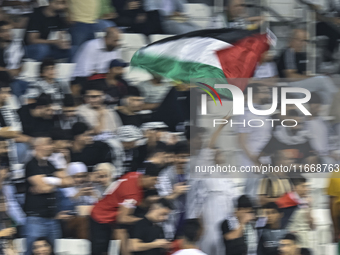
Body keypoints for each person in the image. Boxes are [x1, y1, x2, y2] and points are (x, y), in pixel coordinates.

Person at [90, 163, 161, 255]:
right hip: (101, 218)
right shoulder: (131, 194)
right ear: (146, 176)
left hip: (105, 214)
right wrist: (145, 220)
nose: (156, 183)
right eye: (154, 179)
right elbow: (123, 218)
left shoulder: (134, 175)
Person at [24, 133, 73, 255]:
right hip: (36, 219)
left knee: (52, 252)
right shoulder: (31, 164)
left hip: (52, 219)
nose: (51, 146)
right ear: (38, 146)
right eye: (48, 143)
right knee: (31, 251)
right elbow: (43, 187)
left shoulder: (50, 165)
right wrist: (54, 183)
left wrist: (48, 181)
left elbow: (69, 181)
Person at [236, 83, 272, 205]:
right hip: (252, 164)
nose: (267, 94)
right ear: (255, 94)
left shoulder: (264, 113)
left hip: (265, 161)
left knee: (263, 196)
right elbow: (241, 140)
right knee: (251, 197)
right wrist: (255, 161)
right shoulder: (245, 114)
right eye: (264, 92)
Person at [157, 141, 190, 240]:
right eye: (181, 156)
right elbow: (161, 201)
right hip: (171, 222)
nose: (184, 160)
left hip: (190, 221)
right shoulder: (164, 175)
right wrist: (174, 193)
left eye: (187, 157)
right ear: (174, 157)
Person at [277, 178, 314, 249]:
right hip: (290, 240)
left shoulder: (306, 202)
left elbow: (311, 225)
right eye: (303, 186)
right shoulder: (284, 202)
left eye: (307, 187)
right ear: (295, 187)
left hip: (305, 239)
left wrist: (309, 208)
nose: (306, 189)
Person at [0, 20, 28, 99]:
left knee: (24, 84)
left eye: (9, 30)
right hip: (3, 78)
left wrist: (17, 71)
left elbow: (23, 63)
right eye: (4, 31)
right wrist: (8, 71)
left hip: (14, 77)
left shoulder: (17, 43)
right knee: (14, 85)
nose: (8, 33)